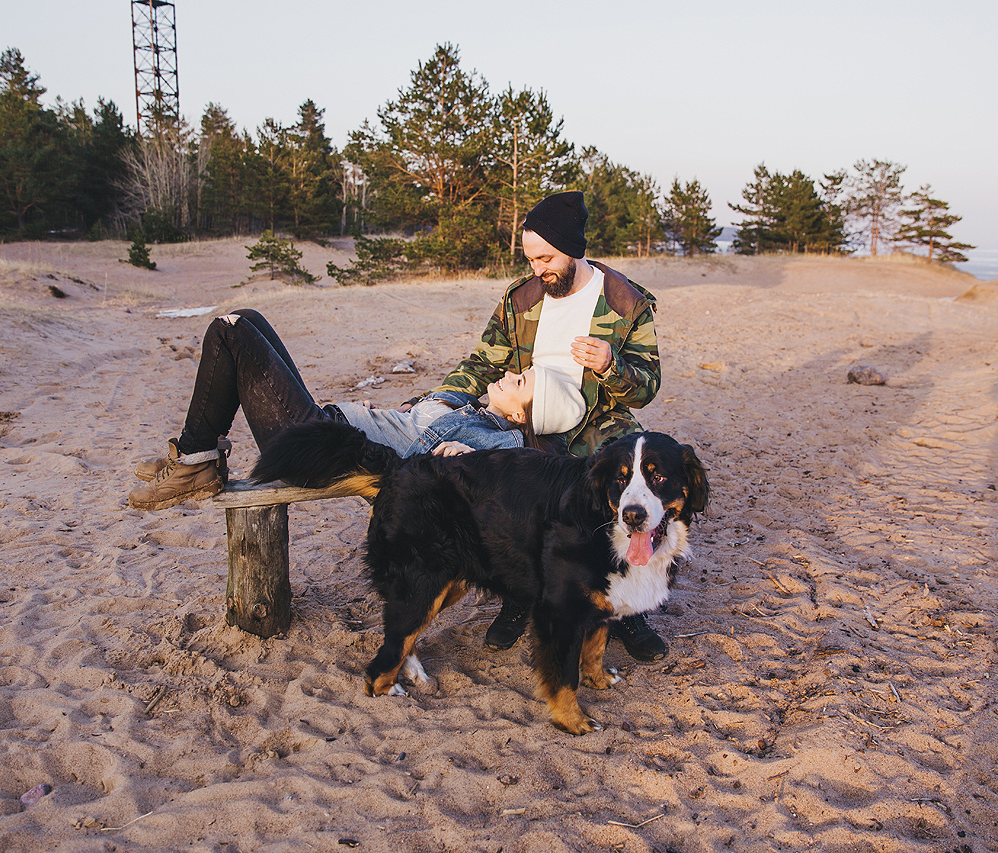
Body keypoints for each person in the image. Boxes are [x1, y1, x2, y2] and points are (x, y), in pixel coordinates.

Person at [425, 190, 670, 662]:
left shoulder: (625, 302)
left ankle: (629, 613)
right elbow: (482, 362)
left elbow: (646, 388)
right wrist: (443, 399)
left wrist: (610, 365)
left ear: (573, 248)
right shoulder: (522, 298)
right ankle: (520, 596)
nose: (538, 268)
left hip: (597, 420)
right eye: (531, 258)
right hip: (529, 417)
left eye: (546, 257)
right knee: (517, 500)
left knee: (617, 495)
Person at [127, 308, 585, 511]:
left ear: (521, 417)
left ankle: (194, 462)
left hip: (318, 449)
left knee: (231, 331)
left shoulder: (496, 441)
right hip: (326, 427)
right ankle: (192, 453)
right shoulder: (474, 407)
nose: (508, 375)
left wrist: (459, 462)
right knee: (246, 316)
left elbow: (497, 477)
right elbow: (421, 419)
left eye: (519, 383)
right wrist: (394, 412)